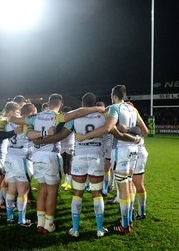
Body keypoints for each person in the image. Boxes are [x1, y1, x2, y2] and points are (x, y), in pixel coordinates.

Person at [32, 92, 139, 238]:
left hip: (79, 159)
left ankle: (75, 229)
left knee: (77, 194)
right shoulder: (103, 117)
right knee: (97, 194)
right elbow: (117, 133)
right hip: (96, 158)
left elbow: (60, 136)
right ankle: (99, 229)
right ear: (95, 104)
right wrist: (134, 138)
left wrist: (41, 141)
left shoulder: (76, 117)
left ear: (82, 103)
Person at [9, 93, 105, 234]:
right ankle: (49, 224)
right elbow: (77, 113)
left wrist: (13, 119)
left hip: (36, 157)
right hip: (51, 157)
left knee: (42, 190)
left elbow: (15, 119)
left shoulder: (36, 117)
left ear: (48, 102)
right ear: (60, 105)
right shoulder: (58, 116)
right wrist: (97, 109)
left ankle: (39, 223)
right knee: (52, 192)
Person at [75, 85, 146, 234]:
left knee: (123, 187)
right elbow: (144, 131)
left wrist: (84, 137)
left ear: (113, 95)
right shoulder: (133, 109)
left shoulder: (114, 108)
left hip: (120, 150)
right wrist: (131, 132)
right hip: (133, 150)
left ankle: (124, 225)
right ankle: (129, 219)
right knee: (129, 184)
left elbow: (107, 128)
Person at [0, 103, 37, 227]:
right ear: (30, 113)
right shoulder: (28, 123)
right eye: (34, 113)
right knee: (23, 191)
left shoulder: (8, 123)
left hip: (9, 157)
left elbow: (0, 135)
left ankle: (9, 217)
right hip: (22, 159)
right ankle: (21, 220)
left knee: (11, 189)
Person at [59, 106, 74, 191]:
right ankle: (65, 180)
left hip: (70, 144)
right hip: (62, 144)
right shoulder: (60, 121)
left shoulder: (72, 121)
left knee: (69, 161)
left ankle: (69, 182)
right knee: (64, 162)